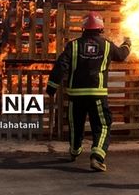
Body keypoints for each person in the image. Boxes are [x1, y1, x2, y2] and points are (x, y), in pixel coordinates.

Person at [46, 11, 131, 172]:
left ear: (83, 28)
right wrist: (127, 43)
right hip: (97, 95)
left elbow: (61, 65)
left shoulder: (74, 45)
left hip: (76, 95)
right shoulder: (107, 45)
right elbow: (121, 55)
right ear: (100, 28)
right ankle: (97, 157)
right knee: (102, 125)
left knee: (75, 124)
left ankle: (74, 150)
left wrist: (52, 86)